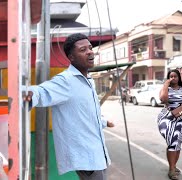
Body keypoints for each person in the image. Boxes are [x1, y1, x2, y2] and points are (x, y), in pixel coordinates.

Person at [24, 33, 114, 180]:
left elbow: (86, 116)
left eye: (90, 48)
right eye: (83, 50)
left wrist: (104, 122)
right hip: (88, 159)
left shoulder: (89, 81)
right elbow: (41, 92)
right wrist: (27, 94)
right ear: (71, 57)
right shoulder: (66, 81)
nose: (90, 51)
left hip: (99, 154)